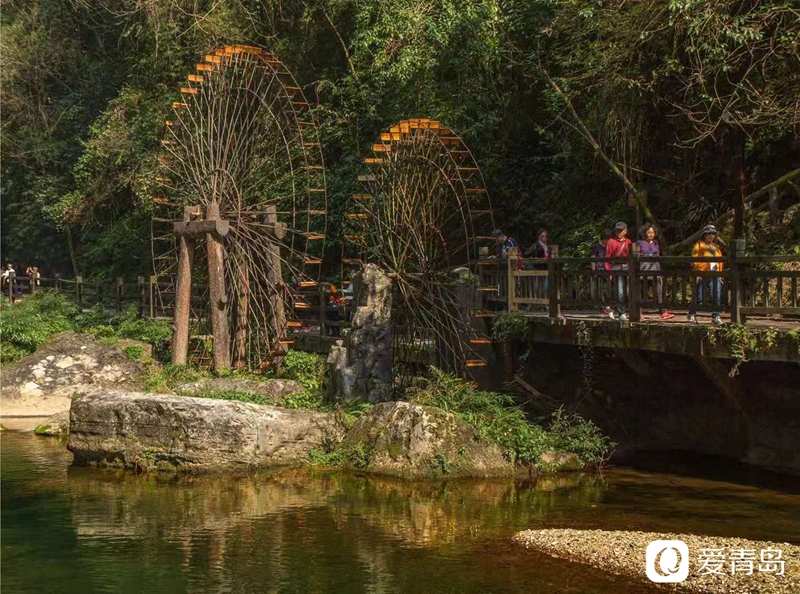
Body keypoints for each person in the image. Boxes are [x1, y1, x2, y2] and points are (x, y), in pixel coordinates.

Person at [636, 224, 674, 321]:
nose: (650, 235)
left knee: (659, 291)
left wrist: (659, 271)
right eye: (648, 232)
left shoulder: (656, 243)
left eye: (652, 233)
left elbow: (657, 258)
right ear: (644, 233)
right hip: (643, 271)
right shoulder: (639, 243)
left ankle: (663, 311)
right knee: (640, 293)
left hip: (655, 270)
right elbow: (636, 258)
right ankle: (638, 313)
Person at [689, 224, 724, 325]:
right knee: (698, 296)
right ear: (704, 235)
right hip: (701, 273)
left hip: (715, 274)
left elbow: (720, 261)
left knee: (716, 296)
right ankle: (692, 314)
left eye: (713, 234)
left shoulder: (716, 247)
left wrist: (720, 273)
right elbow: (694, 259)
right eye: (709, 233)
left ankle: (716, 316)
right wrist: (700, 269)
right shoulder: (699, 245)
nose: (711, 236)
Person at [605, 222, 632, 320]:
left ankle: (628, 310)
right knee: (620, 291)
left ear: (625, 231)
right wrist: (609, 271)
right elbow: (608, 257)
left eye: (621, 230)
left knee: (629, 291)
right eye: (617, 230)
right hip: (616, 267)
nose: (618, 232)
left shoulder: (628, 241)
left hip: (627, 267)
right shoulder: (611, 241)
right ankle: (621, 313)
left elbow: (631, 256)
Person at [591, 228, 613, 315]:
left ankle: (608, 306)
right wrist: (593, 269)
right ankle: (602, 307)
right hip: (599, 269)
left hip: (607, 269)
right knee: (600, 289)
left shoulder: (609, 246)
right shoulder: (596, 247)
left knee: (608, 289)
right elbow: (593, 259)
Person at [526, 229, 549, 298]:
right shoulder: (536, 245)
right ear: (539, 237)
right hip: (537, 268)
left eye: (545, 236)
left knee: (545, 287)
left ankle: (544, 304)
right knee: (537, 287)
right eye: (542, 236)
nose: (544, 238)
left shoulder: (547, 246)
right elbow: (529, 254)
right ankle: (537, 303)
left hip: (545, 268)